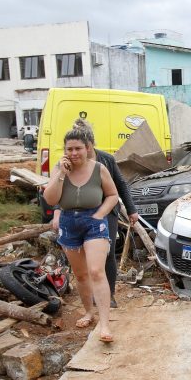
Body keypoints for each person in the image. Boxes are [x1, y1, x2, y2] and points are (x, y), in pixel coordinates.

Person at [42, 119, 119, 342]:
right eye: (69, 149)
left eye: (78, 148)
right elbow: (50, 198)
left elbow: (113, 195)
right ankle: (88, 312)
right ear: (65, 151)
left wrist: (100, 213)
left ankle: (104, 325)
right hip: (68, 222)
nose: (74, 153)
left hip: (94, 221)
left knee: (96, 271)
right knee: (81, 274)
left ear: (87, 148)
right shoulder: (59, 169)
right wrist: (61, 174)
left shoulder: (99, 168)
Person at [51, 121, 139, 308]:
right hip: (77, 216)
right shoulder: (65, 164)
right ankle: (90, 296)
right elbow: (65, 193)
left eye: (83, 148)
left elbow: (120, 185)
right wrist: (57, 213)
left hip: (106, 213)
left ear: (90, 145)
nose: (77, 153)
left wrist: (131, 210)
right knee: (83, 260)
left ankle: (110, 294)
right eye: (71, 149)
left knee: (107, 255)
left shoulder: (105, 161)